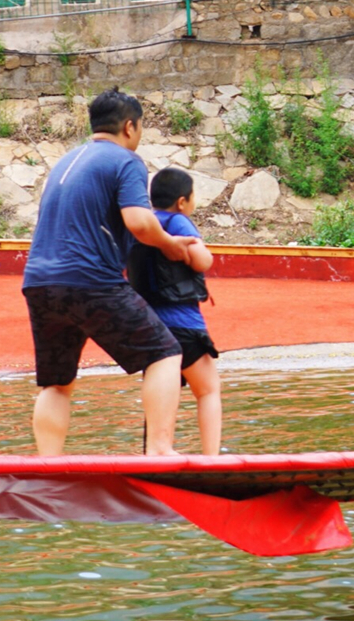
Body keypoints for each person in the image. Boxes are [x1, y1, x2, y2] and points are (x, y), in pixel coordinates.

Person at [21, 88, 195, 456]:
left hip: (39, 282)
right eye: (141, 127)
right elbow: (139, 222)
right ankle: (160, 452)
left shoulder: (67, 160)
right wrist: (171, 244)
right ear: (129, 127)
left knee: (57, 382)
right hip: (90, 280)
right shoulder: (125, 160)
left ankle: (48, 466)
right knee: (164, 353)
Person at [127, 167, 223, 455]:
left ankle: (152, 454)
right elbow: (202, 261)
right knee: (207, 390)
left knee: (157, 394)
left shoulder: (142, 226)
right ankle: (212, 458)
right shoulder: (178, 222)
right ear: (182, 201)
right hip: (184, 326)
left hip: (151, 326)